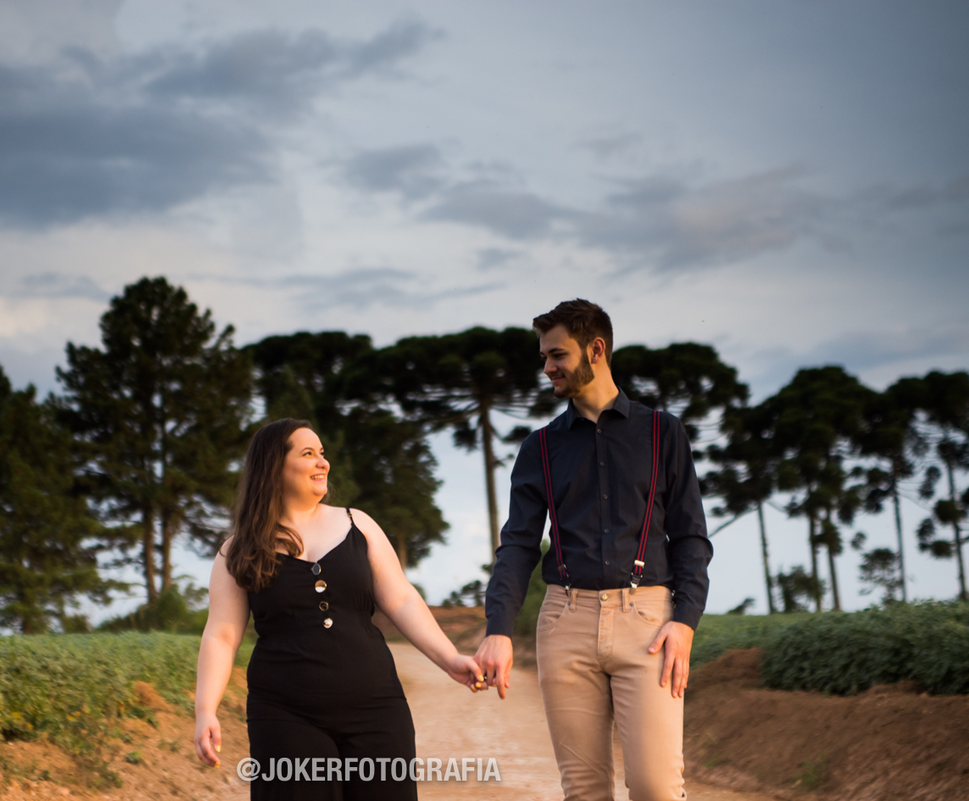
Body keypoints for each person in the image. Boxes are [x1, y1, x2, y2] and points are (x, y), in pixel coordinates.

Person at [475, 299, 712, 801]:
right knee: (583, 790)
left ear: (596, 349)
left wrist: (685, 620)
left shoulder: (661, 432)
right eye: (544, 357)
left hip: (648, 622)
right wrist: (498, 629)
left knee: (657, 787)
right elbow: (517, 545)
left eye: (557, 355)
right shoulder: (540, 447)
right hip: (565, 621)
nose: (548, 368)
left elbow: (691, 536)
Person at [194, 418, 484, 800]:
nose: (322, 463)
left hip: (376, 708)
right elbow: (222, 634)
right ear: (274, 467)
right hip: (285, 715)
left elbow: (401, 598)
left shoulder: (357, 524)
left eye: (323, 454)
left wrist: (449, 658)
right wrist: (205, 710)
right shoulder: (237, 550)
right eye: (308, 454)